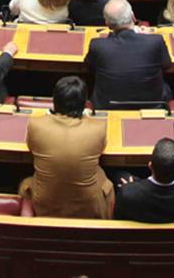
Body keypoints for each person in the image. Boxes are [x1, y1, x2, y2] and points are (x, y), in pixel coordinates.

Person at [19, 76, 113, 218]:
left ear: (54, 101)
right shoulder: (98, 128)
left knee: (24, 182)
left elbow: (31, 147)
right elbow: (100, 149)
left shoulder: (35, 124)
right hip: (89, 206)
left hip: (45, 203)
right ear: (84, 104)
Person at [84, 0, 171, 109]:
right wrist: (148, 38)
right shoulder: (155, 41)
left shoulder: (97, 45)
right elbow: (167, 65)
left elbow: (89, 67)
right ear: (133, 16)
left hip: (108, 106)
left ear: (107, 24)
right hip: (151, 105)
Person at [113, 138, 174, 223]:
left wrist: (132, 188)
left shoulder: (127, 194)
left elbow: (117, 218)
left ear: (150, 166)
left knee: (121, 175)